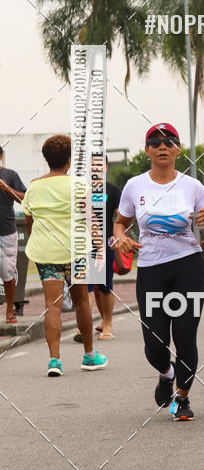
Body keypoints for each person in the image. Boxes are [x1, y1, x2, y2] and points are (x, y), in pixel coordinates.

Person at [113, 123, 204, 420]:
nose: (163, 146)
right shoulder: (135, 186)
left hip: (188, 265)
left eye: (169, 141)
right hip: (151, 269)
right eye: (156, 142)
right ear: (147, 150)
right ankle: (166, 373)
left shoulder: (193, 186)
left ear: (178, 149)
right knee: (155, 343)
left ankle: (182, 397)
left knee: (185, 336)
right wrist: (120, 238)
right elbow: (120, 223)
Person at [21, 134, 108, 376]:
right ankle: (89, 355)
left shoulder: (34, 187)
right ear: (69, 160)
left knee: (52, 305)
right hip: (77, 252)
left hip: (46, 253)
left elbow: (29, 223)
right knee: (82, 302)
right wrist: (100, 247)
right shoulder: (79, 185)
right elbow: (91, 219)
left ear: (46, 159)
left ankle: (54, 361)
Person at [74, 156, 121, 342]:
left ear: (106, 167)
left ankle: (107, 323)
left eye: (99, 165)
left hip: (105, 243)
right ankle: (84, 324)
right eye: (92, 165)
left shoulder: (113, 190)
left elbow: (122, 217)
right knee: (84, 287)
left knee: (104, 286)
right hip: (82, 244)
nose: (95, 168)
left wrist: (118, 236)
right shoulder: (81, 190)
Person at [0, 145, 26, 324]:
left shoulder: (10, 175)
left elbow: (23, 198)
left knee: (8, 273)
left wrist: (7, 188)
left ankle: (10, 308)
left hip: (6, 230)